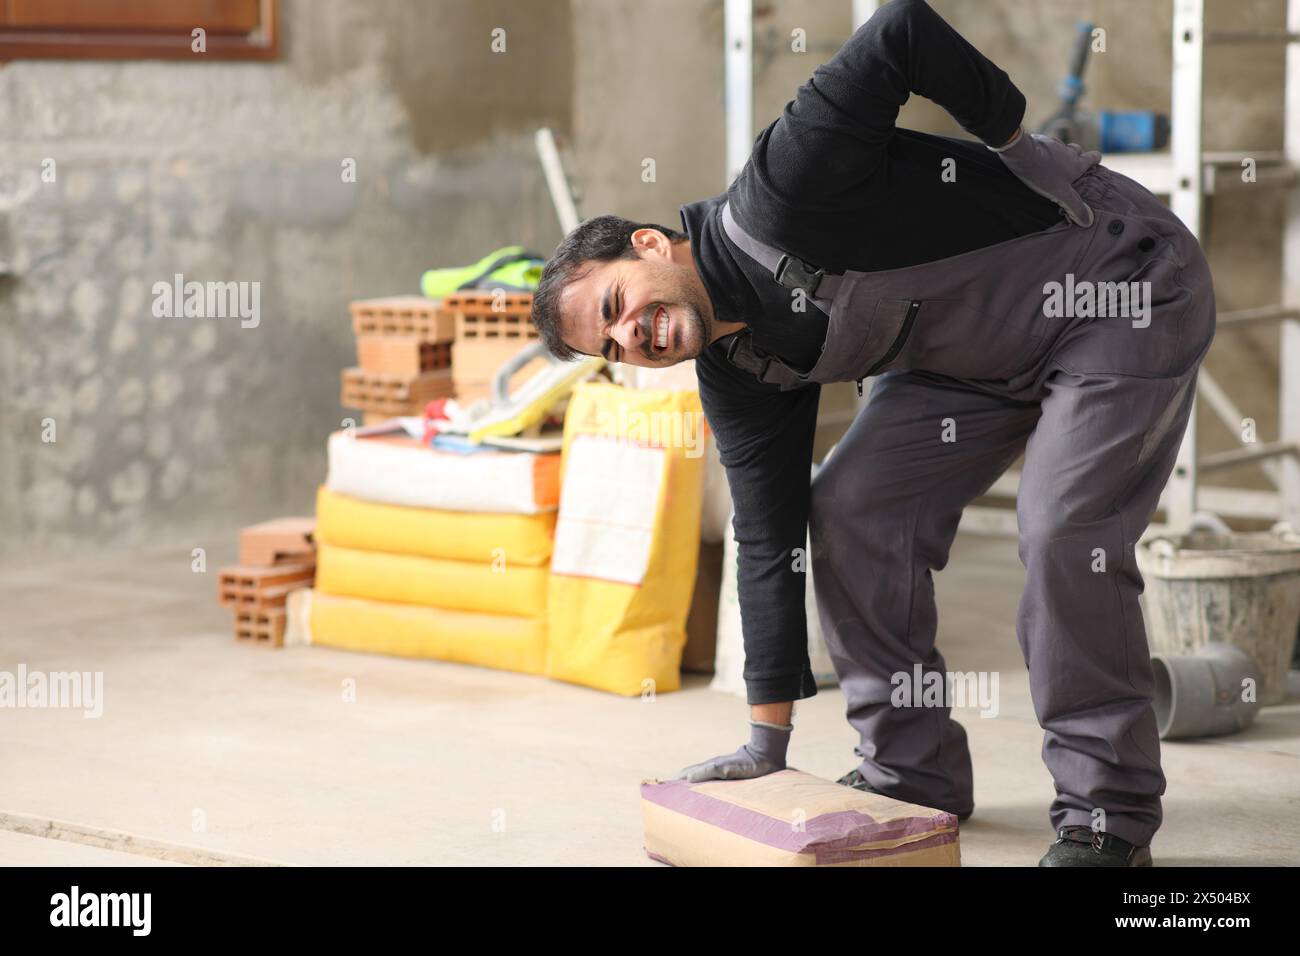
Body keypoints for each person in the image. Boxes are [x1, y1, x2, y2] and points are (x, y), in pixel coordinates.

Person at [530, 0, 1214, 867]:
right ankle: (910, 773)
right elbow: (767, 538)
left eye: (619, 306)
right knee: (850, 513)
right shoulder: (739, 370)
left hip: (1118, 283)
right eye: (614, 345)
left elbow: (902, 29)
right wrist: (764, 740)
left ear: (650, 244)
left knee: (1061, 529)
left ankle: (1105, 817)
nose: (636, 337)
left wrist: (1017, 142)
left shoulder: (786, 182)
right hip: (976, 366)